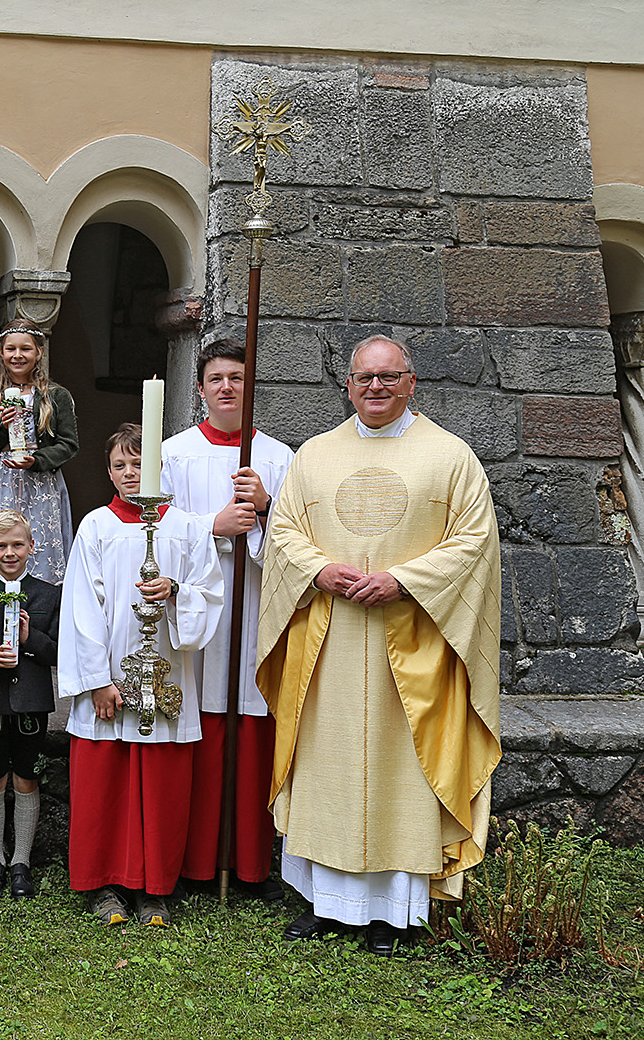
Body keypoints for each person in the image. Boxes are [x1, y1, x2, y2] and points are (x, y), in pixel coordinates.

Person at [257, 335, 501, 957]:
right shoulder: (315, 455)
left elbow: (474, 542)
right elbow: (283, 529)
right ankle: (323, 902)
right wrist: (315, 570)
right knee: (326, 767)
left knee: (403, 771)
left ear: (411, 383)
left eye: (389, 377)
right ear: (348, 384)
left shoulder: (451, 457)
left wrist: (405, 580)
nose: (376, 388)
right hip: (330, 643)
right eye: (365, 378)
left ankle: (396, 911)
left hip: (415, 644)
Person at [59, 423, 223, 928]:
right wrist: (96, 681)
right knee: (105, 782)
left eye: (138, 464)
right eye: (119, 466)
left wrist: (176, 591)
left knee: (161, 785)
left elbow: (209, 594)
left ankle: (155, 887)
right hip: (109, 680)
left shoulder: (189, 528)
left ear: (156, 468)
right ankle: (105, 883)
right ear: (108, 472)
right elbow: (82, 608)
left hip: (168, 678)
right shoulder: (96, 527)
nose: (130, 474)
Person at [160, 337, 294, 896]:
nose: (227, 388)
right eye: (216, 379)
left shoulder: (280, 458)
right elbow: (153, 532)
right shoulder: (172, 453)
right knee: (201, 719)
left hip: (257, 604)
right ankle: (196, 862)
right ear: (200, 389)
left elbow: (302, 544)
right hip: (197, 612)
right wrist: (210, 527)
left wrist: (265, 510)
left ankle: (249, 864)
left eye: (237, 378)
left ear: (251, 386)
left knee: (250, 719)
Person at [0, 508, 60, 900]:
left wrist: (30, 640)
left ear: (32, 548)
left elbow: (59, 651)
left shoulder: (49, 594)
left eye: (17, 545)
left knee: (27, 777)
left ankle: (20, 861)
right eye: (1, 545)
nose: (10, 552)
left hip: (32, 703)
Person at [0, 320, 79, 583]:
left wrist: (38, 460)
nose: (17, 355)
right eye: (11, 349)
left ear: (39, 352)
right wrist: (3, 430)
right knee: (3, 538)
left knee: (39, 542)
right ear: (1, 353)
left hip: (40, 481)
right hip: (2, 480)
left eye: (26, 349)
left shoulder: (56, 396)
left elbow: (69, 444)